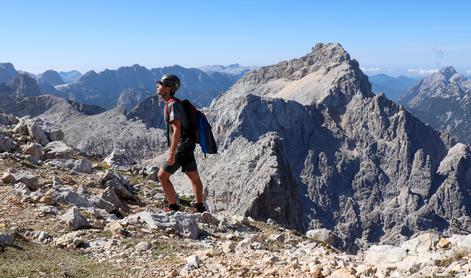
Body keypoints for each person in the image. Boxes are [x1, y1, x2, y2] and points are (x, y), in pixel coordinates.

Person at [156, 74, 206, 213]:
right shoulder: (175, 102)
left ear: (168, 88)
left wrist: (172, 152)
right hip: (188, 144)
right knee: (194, 176)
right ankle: (199, 207)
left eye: (160, 84)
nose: (157, 86)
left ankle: (173, 207)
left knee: (162, 176)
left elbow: (177, 129)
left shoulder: (172, 104)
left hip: (182, 146)